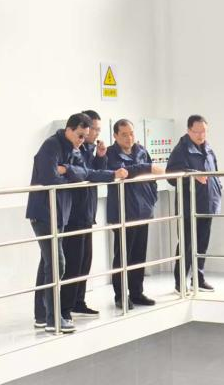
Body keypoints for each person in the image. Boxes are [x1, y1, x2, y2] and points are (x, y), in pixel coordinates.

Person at [26, 113, 93, 333]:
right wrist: (71, 175)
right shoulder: (51, 146)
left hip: (60, 213)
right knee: (57, 263)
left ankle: (41, 315)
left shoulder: (73, 149)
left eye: (85, 137)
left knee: (48, 262)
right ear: (69, 129)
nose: (82, 140)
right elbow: (50, 179)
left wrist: (69, 170)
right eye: (80, 135)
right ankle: (53, 319)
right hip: (44, 213)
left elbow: (86, 172)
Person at [62, 111, 127, 320]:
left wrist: (100, 157)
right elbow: (86, 174)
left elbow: (93, 173)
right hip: (74, 213)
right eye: (94, 129)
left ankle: (78, 301)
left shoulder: (88, 149)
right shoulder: (73, 149)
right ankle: (65, 307)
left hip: (87, 213)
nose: (96, 133)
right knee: (73, 262)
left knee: (84, 260)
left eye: (98, 129)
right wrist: (108, 172)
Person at [107, 119, 164, 309]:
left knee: (139, 255)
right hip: (123, 213)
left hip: (143, 211)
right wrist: (146, 168)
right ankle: (120, 296)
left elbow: (152, 178)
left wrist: (151, 199)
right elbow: (122, 172)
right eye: (124, 134)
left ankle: (137, 293)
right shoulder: (110, 154)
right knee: (123, 256)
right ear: (115, 136)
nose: (129, 138)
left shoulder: (141, 151)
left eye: (131, 133)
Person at [166, 115, 222, 293]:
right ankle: (180, 282)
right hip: (189, 205)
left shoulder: (208, 148)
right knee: (187, 244)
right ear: (188, 130)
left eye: (203, 131)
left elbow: (215, 172)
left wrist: (218, 189)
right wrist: (193, 174)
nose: (200, 135)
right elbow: (171, 175)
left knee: (202, 244)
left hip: (208, 203)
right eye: (196, 132)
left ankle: (198, 279)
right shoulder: (181, 150)